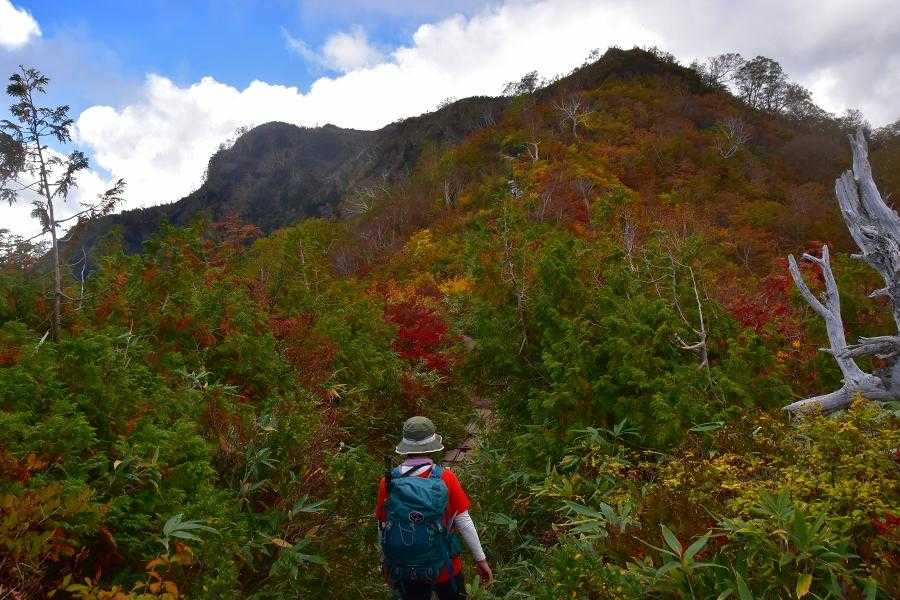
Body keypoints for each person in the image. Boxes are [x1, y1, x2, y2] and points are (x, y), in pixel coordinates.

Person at [375, 416, 493, 600]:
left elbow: (383, 527)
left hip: (406, 569)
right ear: (431, 444)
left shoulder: (389, 482)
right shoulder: (446, 478)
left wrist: (385, 562)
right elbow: (464, 522)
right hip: (445, 566)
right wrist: (481, 559)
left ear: (405, 446)